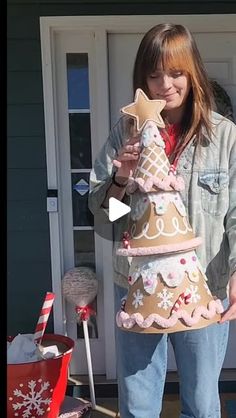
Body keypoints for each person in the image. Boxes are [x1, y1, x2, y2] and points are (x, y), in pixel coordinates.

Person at [88, 23, 236, 418]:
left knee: (203, 406)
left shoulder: (224, 138)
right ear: (142, 78)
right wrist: (120, 179)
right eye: (153, 74)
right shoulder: (125, 134)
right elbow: (107, 220)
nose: (164, 84)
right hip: (138, 286)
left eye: (176, 72)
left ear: (193, 73)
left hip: (204, 285)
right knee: (138, 405)